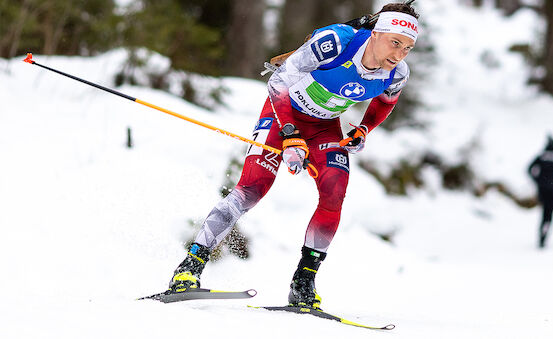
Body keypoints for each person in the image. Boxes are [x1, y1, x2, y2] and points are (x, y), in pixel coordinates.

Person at [169, 1, 420, 309]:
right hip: (282, 116)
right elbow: (277, 83)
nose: (398, 55)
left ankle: (303, 282)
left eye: (407, 48)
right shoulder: (336, 42)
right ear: (376, 34)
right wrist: (290, 135)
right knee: (251, 190)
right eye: (395, 43)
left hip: (324, 128)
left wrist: (363, 129)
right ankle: (189, 268)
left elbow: (384, 103)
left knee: (334, 193)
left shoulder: (397, 74)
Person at [528, 136, 553, 249]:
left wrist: (537, 180)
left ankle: (541, 234)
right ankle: (544, 233)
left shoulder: (541, 156)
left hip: (542, 188)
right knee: (548, 213)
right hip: (552, 188)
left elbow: (529, 169)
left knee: (544, 211)